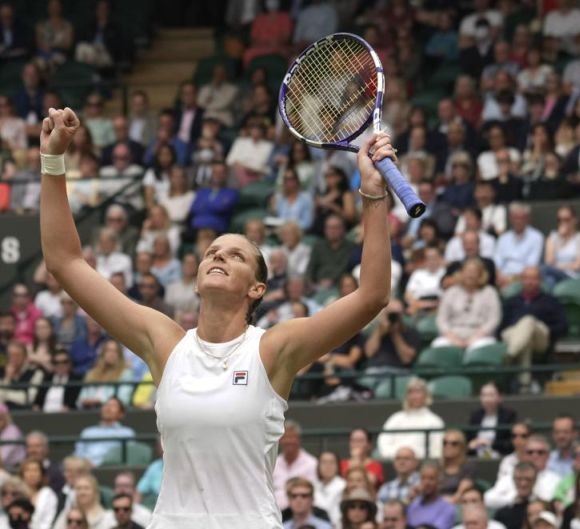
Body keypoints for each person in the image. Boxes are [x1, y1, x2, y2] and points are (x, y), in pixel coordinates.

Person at [38, 107, 394, 527]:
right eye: (212, 252)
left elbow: (371, 296)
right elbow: (65, 262)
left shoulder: (273, 350)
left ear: (256, 288)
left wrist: (372, 195)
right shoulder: (165, 344)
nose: (218, 255)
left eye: (236, 254)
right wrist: (53, 160)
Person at [499, 267, 567, 392]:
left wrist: (542, 328)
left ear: (540, 281)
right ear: (521, 280)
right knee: (526, 340)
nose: (530, 282)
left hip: (541, 337)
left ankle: (510, 355)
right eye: (526, 278)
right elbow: (502, 326)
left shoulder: (551, 301)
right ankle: (525, 385)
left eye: (533, 278)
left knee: (528, 320)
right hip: (513, 335)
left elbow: (562, 325)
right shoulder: (511, 302)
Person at [432, 258, 501, 351]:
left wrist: (476, 337)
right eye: (467, 271)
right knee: (438, 345)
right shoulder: (451, 292)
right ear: (461, 273)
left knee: (480, 347)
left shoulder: (489, 292)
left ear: (481, 275)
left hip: (481, 335)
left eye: (474, 272)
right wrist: (452, 337)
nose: (470, 275)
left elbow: (493, 319)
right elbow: (441, 319)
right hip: (453, 333)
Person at [485, 435, 561, 509]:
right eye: (530, 452)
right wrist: (514, 499)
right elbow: (488, 499)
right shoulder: (509, 477)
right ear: (523, 455)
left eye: (540, 452)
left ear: (548, 456)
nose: (535, 455)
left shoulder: (555, 480)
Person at [377, 377, 445, 459]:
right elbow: (383, 442)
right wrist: (400, 456)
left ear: (426, 395)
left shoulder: (435, 421)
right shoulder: (396, 418)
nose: (414, 396)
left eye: (418, 392)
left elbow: (436, 450)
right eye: (411, 392)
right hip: (395, 461)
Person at [73, 398, 135, 467]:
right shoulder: (88, 432)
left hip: (113, 469)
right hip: (86, 469)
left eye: (113, 406)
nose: (108, 408)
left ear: (121, 414)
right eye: (106, 405)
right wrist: (85, 463)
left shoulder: (126, 433)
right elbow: (78, 454)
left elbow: (129, 457)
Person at [494, 204, 544, 287]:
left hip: (524, 279)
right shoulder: (503, 238)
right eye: (515, 218)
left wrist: (511, 279)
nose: (518, 221)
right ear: (510, 218)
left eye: (522, 218)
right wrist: (499, 277)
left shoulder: (537, 237)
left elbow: (532, 265)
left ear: (528, 219)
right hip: (502, 278)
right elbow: (496, 263)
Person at [76, 339, 135, 408]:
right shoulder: (91, 374)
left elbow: (123, 400)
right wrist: (86, 401)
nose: (111, 354)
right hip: (88, 411)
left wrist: (100, 401)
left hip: (112, 412)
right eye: (108, 351)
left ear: (119, 355)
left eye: (115, 351)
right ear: (103, 354)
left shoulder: (126, 374)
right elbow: (80, 401)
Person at [273, 420, 318, 509]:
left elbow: (314, 494)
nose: (288, 441)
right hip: (275, 516)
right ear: (280, 440)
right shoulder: (273, 464)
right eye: (285, 437)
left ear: (299, 439)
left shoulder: (312, 463)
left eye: (292, 437)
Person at [466, 382, 517, 457]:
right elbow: (468, 439)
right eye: (484, 395)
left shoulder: (508, 415)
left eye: (491, 395)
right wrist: (472, 444)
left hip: (500, 457)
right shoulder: (475, 416)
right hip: (477, 458)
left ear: (500, 397)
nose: (487, 399)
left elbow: (510, 443)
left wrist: (491, 443)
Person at [407, 461, 456, 529]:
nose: (426, 483)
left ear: (439, 482)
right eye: (423, 478)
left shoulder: (447, 508)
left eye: (431, 479)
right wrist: (408, 500)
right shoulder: (413, 505)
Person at [493, 462, 537, 529]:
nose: (523, 484)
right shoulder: (503, 512)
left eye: (528, 479)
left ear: (535, 480)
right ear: (513, 480)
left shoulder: (542, 508)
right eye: (519, 479)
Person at [439, 428, 477, 503]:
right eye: (445, 443)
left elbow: (465, 485)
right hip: (437, 501)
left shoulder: (468, 465)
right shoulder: (436, 465)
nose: (448, 446)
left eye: (454, 443)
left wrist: (455, 498)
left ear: (462, 447)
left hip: (458, 501)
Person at [314, 452, 345, 528]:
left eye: (332, 462)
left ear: (338, 466)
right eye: (324, 462)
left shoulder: (344, 486)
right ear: (318, 466)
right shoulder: (313, 487)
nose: (328, 466)